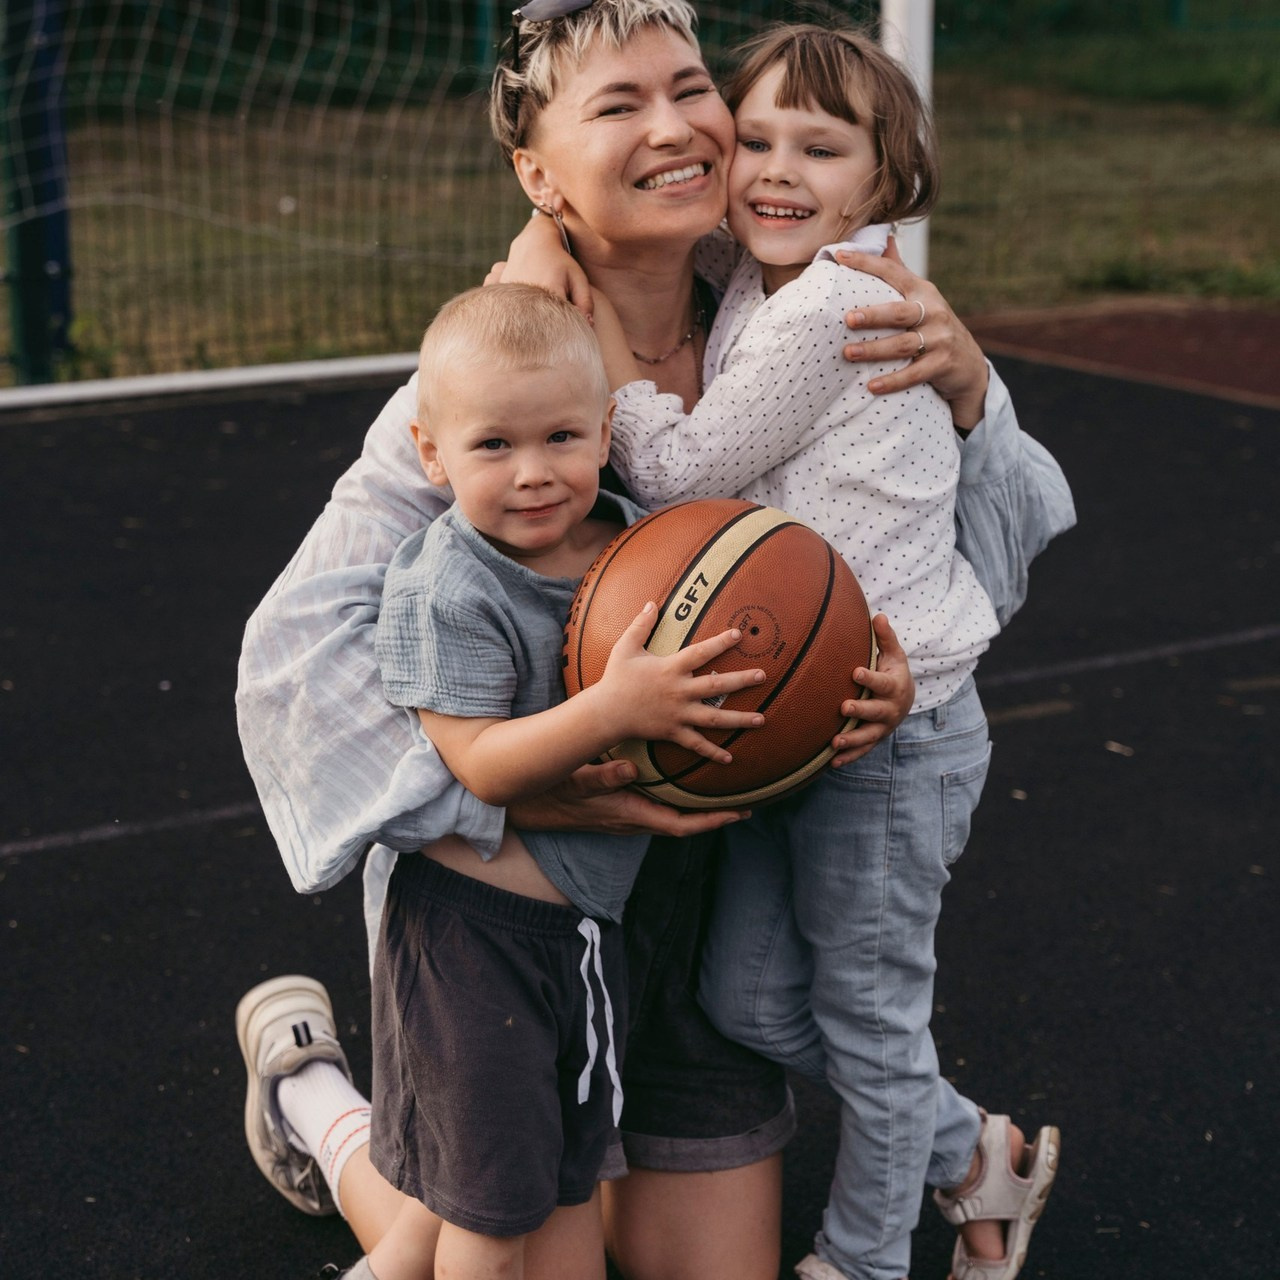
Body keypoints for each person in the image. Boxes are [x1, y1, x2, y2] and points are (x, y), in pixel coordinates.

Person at [234, 3, 1073, 1278]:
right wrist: (537, 787)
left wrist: (970, 403)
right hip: (525, 905)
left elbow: (982, 533)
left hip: (712, 890)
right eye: (618, 105)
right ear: (535, 174)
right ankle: (313, 1091)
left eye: (691, 87)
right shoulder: (490, 374)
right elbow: (289, 662)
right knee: (482, 1233)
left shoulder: (796, 297)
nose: (678, 125)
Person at [551, 24, 1062, 1280]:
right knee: (755, 1004)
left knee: (872, 1024)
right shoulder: (760, 278)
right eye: (758, 138)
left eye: (818, 148)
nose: (774, 169)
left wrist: (581, 319)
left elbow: (669, 467)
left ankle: (861, 1257)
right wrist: (552, 227)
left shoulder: (830, 302)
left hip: (891, 732)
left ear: (882, 185)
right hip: (809, 727)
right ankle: (969, 1147)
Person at [369, 282, 780, 1280]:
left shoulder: (643, 542)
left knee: (559, 1179)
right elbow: (477, 761)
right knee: (488, 1210)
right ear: (432, 454)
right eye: (492, 447)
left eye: (559, 436)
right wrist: (611, 710)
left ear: (604, 428)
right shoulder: (447, 581)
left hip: (589, 938)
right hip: (476, 937)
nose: (532, 473)